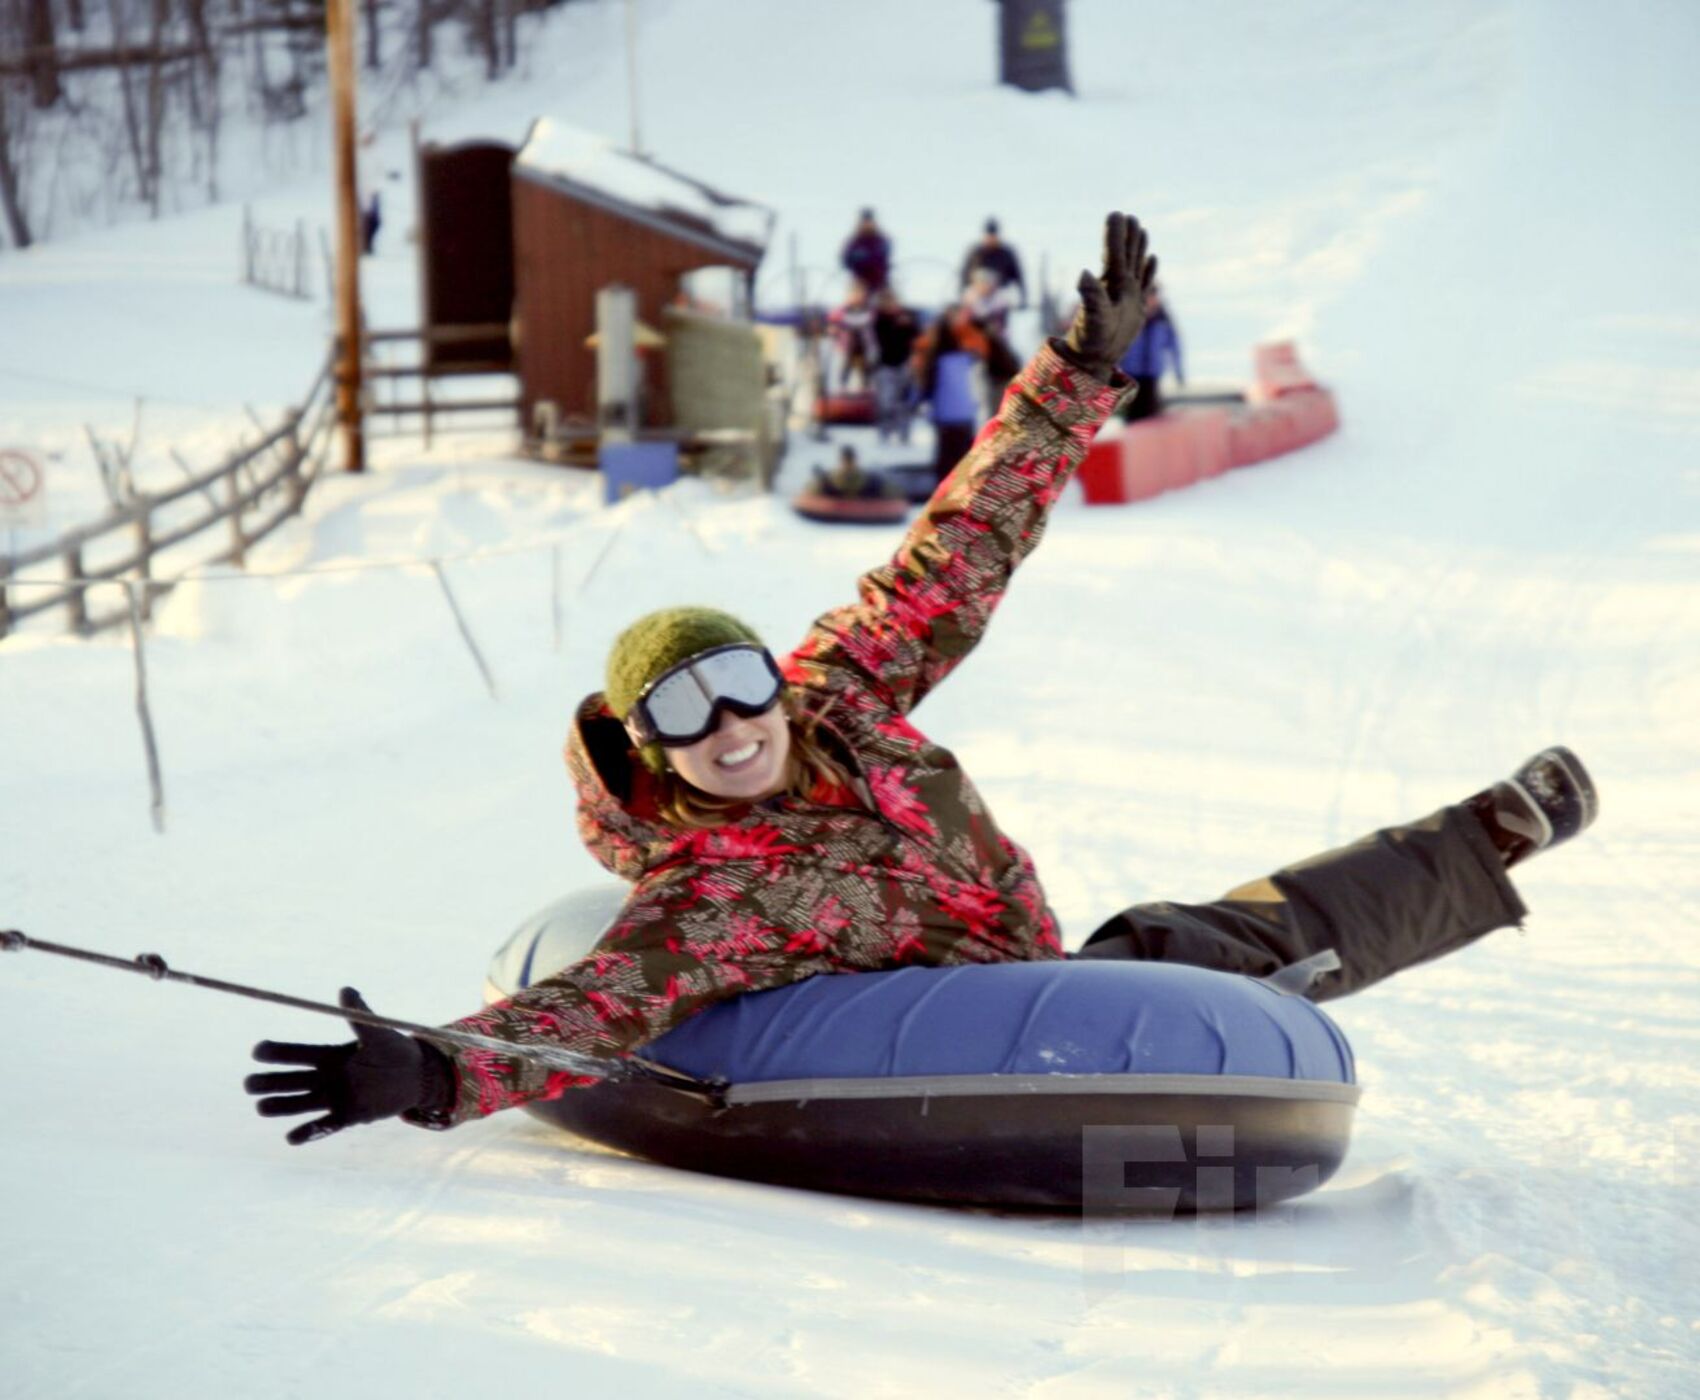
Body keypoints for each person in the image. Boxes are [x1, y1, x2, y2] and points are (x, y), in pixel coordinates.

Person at [245, 214, 1598, 1145]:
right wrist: (431, 1071)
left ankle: (1481, 837)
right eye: (678, 715)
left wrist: (1075, 377)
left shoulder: (840, 696)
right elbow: (596, 1006)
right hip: (969, 1026)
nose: (724, 728)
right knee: (1208, 968)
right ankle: (1392, 892)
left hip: (1031, 957)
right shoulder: (714, 889)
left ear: (774, 678)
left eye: (734, 683)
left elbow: (963, 546)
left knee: (1210, 940)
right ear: (652, 755)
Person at [1116, 282, 1183, 421]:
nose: (1150, 299)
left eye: (1153, 295)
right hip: (1131, 373)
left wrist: (1178, 372)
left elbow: (1174, 346)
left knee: (1151, 411)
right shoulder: (1130, 317)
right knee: (1132, 413)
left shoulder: (1163, 319)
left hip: (1152, 373)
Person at [870, 289, 921, 443]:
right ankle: (885, 433)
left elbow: (917, 337)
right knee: (886, 402)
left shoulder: (907, 317)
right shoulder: (878, 320)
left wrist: (907, 325)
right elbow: (882, 341)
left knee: (903, 401)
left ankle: (904, 434)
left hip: (903, 364)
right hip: (885, 365)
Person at [960, 217, 1026, 307]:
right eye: (988, 235)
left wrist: (1024, 298)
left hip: (999, 293)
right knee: (969, 298)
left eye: (993, 235)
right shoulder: (975, 253)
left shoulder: (1007, 253)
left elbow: (1019, 277)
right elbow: (964, 275)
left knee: (1005, 299)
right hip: (978, 294)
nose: (990, 239)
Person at [840, 208, 892, 294]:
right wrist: (857, 258)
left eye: (869, 222)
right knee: (854, 300)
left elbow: (882, 255)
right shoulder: (854, 241)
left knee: (890, 303)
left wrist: (867, 258)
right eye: (864, 222)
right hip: (860, 280)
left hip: (880, 280)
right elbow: (845, 260)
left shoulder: (882, 240)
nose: (867, 224)